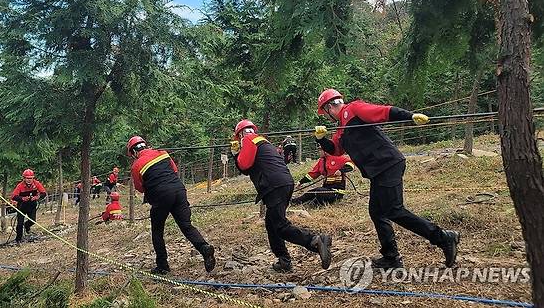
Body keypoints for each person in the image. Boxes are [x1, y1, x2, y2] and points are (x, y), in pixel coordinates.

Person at [314, 88, 461, 269]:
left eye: (325, 112)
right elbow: (336, 150)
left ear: (329, 107)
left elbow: (382, 112)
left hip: (387, 164)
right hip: (378, 170)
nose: (326, 116)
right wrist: (321, 139)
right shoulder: (341, 128)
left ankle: (444, 238)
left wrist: (410, 116)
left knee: (394, 210)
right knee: (377, 212)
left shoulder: (353, 109)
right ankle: (391, 257)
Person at [231, 119, 332, 273]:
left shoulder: (249, 139)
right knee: (271, 225)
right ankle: (284, 260)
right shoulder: (262, 141)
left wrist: (236, 153)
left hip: (274, 185)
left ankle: (314, 240)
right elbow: (248, 168)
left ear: (240, 135)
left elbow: (244, 165)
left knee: (280, 225)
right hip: (284, 182)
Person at [128, 135, 216, 275]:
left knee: (157, 232)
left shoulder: (136, 165)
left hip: (161, 196)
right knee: (186, 225)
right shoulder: (162, 153)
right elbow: (174, 170)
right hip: (179, 190)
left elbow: (139, 187)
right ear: (145, 144)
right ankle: (204, 248)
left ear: (133, 152)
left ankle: (163, 266)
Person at [11, 169, 47, 244]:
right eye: (27, 178)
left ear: (33, 178)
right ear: (24, 178)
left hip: (32, 205)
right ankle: (18, 239)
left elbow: (43, 193)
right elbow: (13, 196)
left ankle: (27, 226)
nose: (29, 180)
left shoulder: (37, 184)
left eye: (31, 178)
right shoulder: (20, 186)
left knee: (32, 220)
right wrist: (22, 198)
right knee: (19, 224)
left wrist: (37, 197)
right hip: (22, 206)